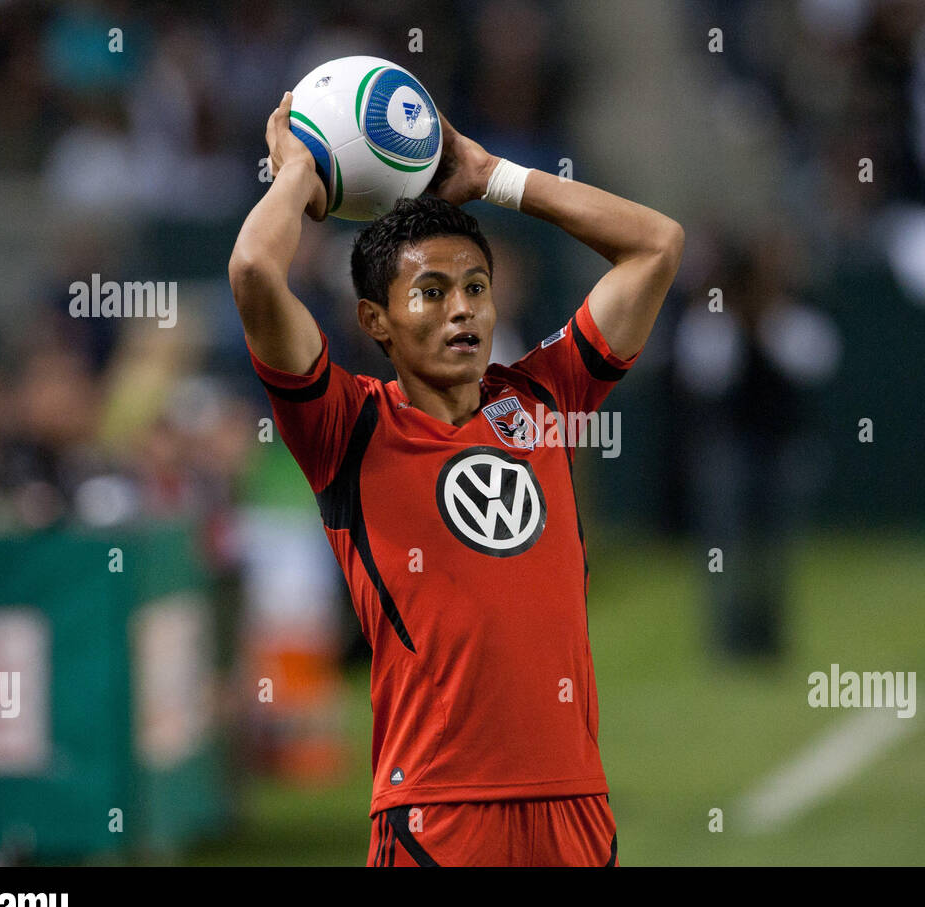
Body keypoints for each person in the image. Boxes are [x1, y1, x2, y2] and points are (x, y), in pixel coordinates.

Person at [228, 91, 683, 866]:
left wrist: (493, 176)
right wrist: (300, 172)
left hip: (574, 805)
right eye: (431, 294)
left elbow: (657, 244)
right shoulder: (347, 428)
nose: (463, 311)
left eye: (476, 287)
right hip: (438, 814)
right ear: (377, 321)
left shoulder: (543, 399)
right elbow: (252, 272)